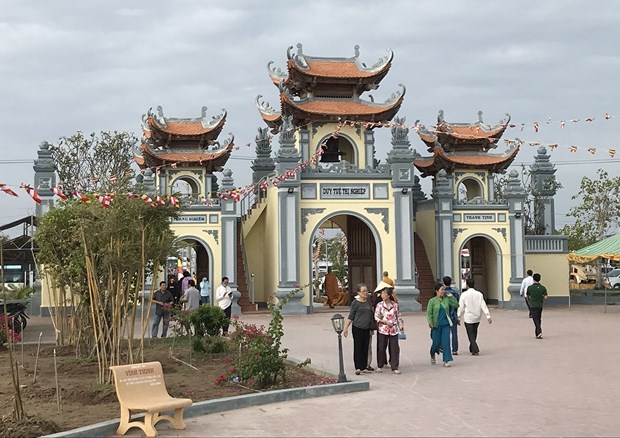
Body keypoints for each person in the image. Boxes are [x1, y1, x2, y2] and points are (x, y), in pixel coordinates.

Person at [343, 284, 374, 375]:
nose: (365, 293)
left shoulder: (368, 302)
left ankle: (364, 366)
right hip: (357, 327)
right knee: (358, 347)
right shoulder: (355, 303)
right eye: (363, 291)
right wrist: (345, 328)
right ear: (359, 293)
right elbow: (351, 316)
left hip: (367, 328)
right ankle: (358, 367)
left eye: (366, 291)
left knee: (366, 347)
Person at [457, 278, 492, 356]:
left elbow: (461, 307)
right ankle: (472, 347)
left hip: (468, 317)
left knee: (470, 333)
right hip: (477, 316)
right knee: (474, 332)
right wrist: (488, 315)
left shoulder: (464, 294)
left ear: (467, 285)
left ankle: (475, 349)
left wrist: (458, 316)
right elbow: (483, 305)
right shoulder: (479, 294)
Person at [427, 283, 459, 367]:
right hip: (436, 324)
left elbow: (456, 305)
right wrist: (430, 322)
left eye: (444, 289)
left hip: (446, 324)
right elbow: (429, 313)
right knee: (436, 342)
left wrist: (451, 296)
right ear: (437, 291)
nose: (443, 291)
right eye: (442, 289)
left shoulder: (446, 299)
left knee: (446, 341)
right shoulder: (432, 301)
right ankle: (432, 353)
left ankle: (446, 359)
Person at [374, 286, 402, 374]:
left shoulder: (395, 305)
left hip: (393, 329)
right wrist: (384, 322)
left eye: (383, 293)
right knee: (381, 347)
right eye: (382, 293)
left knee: (394, 348)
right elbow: (376, 316)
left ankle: (395, 366)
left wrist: (400, 324)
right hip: (383, 328)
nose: (382, 295)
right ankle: (380, 365)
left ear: (388, 295)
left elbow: (398, 316)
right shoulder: (380, 305)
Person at [526, 273, 548, 339]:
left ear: (533, 279)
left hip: (533, 305)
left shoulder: (530, 288)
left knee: (535, 319)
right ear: (540, 279)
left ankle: (539, 331)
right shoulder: (543, 288)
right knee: (539, 318)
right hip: (540, 305)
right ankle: (537, 332)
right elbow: (546, 297)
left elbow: (527, 296)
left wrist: (530, 301)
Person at [443, 276, 460, 355]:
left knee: (445, 333)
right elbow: (457, 305)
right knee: (454, 333)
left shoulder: (442, 293)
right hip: (453, 315)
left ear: (444, 283)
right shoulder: (455, 293)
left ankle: (444, 348)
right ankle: (455, 349)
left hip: (444, 315)